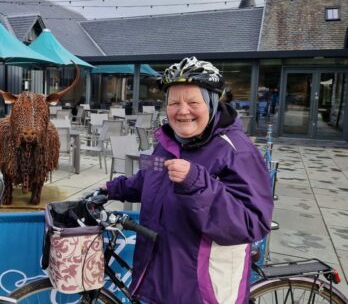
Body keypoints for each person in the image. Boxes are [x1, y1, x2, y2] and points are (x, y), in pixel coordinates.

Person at [104, 56, 273, 303]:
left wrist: (197, 182)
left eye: (193, 102)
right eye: (174, 103)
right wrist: (112, 188)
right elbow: (148, 178)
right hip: (161, 278)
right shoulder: (166, 143)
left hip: (203, 290)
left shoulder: (238, 150)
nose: (182, 111)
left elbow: (253, 223)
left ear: (212, 103)